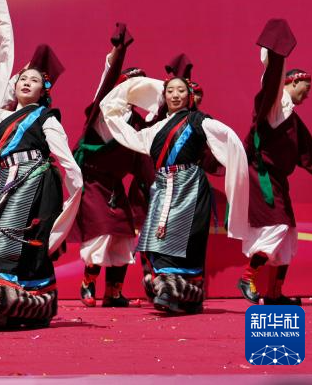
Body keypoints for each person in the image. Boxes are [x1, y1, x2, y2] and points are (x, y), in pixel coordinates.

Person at [0, 0, 83, 330]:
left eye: (34, 80)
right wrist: (1, 32)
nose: (26, 82)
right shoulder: (0, 118)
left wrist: (73, 193)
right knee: (0, 236)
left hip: (35, 180)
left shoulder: (46, 118)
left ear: (44, 91)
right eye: (22, 79)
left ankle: (11, 302)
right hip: (7, 180)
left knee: (21, 239)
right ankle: (11, 305)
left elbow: (66, 159)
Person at [101, 70, 251, 314]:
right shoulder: (155, 129)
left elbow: (228, 139)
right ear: (164, 96)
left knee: (182, 241)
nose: (175, 95)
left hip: (189, 184)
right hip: (163, 186)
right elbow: (124, 130)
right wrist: (122, 95)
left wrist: (237, 171)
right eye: (170, 90)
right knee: (153, 242)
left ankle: (173, 292)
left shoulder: (198, 120)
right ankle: (184, 295)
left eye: (181, 90)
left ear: (189, 95)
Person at [238, 19, 312, 305]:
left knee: (288, 235)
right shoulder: (275, 106)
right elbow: (272, 81)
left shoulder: (293, 121)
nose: (307, 94)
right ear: (292, 82)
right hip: (261, 177)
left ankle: (274, 294)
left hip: (277, 181)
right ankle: (247, 277)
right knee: (275, 227)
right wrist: (277, 53)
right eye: (305, 88)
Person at [69, 24, 148, 308]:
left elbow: (143, 159)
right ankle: (88, 284)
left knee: (123, 237)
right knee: (101, 233)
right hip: (94, 183)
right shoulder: (103, 112)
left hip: (115, 185)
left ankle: (114, 293)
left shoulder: (138, 122)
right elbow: (107, 79)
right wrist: (117, 53)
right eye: (130, 85)